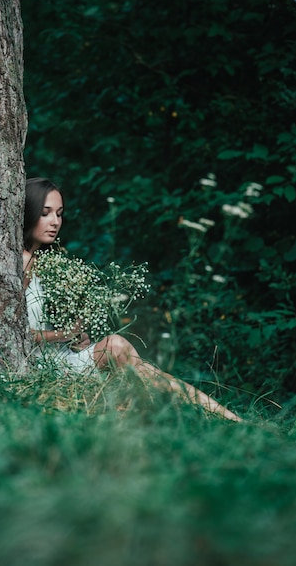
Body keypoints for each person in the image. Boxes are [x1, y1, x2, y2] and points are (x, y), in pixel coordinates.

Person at [23, 177, 242, 422]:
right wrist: (64, 334)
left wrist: (75, 336)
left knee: (143, 368)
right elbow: (15, 333)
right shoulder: (21, 261)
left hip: (62, 354)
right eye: (45, 213)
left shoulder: (46, 262)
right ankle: (213, 418)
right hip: (43, 366)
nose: (55, 222)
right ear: (29, 212)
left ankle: (229, 419)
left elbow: (48, 324)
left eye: (60, 214)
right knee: (118, 347)